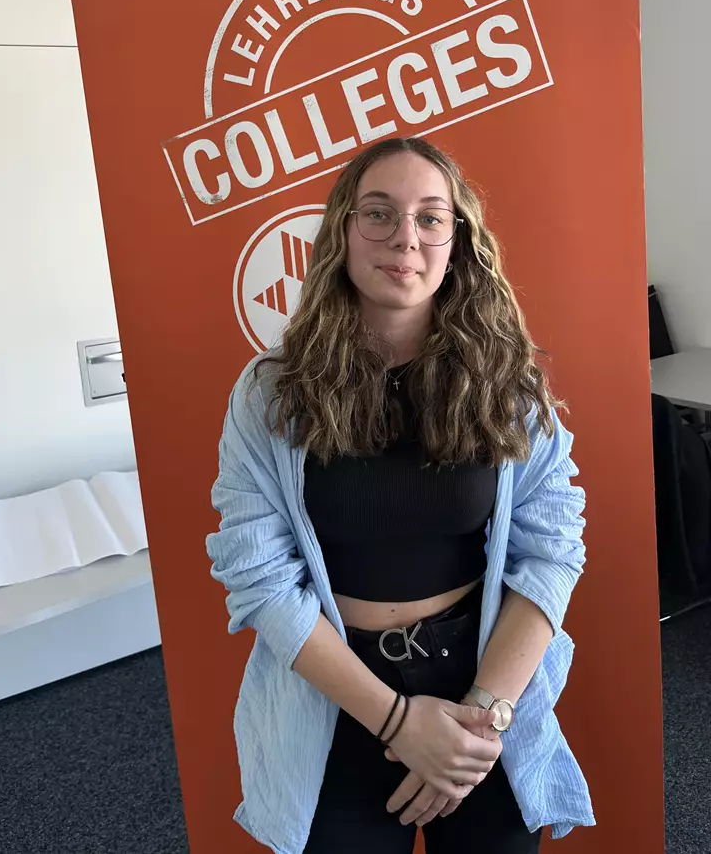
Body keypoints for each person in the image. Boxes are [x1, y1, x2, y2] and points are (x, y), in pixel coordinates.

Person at [207, 136, 594, 854]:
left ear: (457, 240)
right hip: (335, 697)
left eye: (430, 217)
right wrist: (397, 722)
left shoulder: (508, 385)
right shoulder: (270, 393)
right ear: (343, 231)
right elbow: (258, 577)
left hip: (484, 689)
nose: (405, 238)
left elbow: (552, 552)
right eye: (379, 213)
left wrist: (479, 722)